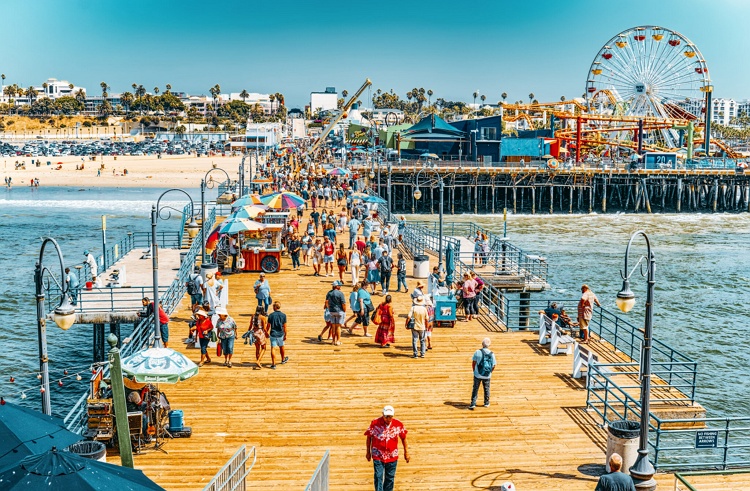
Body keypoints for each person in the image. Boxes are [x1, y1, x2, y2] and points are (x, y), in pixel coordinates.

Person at [365, 405, 409, 491]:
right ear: (382, 415)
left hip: (392, 456)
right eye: (386, 416)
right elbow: (369, 437)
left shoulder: (398, 424)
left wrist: (406, 452)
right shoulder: (375, 423)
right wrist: (368, 452)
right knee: (378, 477)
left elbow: (403, 438)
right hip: (378, 454)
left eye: (390, 417)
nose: (388, 419)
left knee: (390, 478)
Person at [469, 337, 497, 410]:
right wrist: (489, 372)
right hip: (487, 375)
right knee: (486, 388)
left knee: (475, 388)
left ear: (482, 344)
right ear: (489, 345)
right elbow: (494, 365)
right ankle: (486, 402)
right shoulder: (492, 354)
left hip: (477, 374)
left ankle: (473, 403)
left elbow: (474, 363)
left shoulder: (477, 352)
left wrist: (474, 371)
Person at [324, 280, 347, 345]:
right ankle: (338, 341)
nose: (340, 287)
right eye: (339, 285)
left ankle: (333, 341)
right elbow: (343, 304)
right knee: (338, 326)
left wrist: (329, 308)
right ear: (336, 286)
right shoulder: (340, 293)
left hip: (332, 311)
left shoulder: (329, 293)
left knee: (333, 326)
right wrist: (344, 310)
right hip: (339, 311)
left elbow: (326, 302)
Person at [267, 301, 288, 369]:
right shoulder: (283, 315)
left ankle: (273, 363)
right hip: (280, 334)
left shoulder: (271, 315)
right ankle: (282, 359)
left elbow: (268, 326)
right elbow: (285, 327)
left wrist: (266, 333)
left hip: (273, 334)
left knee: (273, 348)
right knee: (281, 346)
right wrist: (285, 335)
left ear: (275, 307)